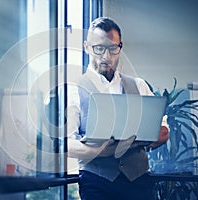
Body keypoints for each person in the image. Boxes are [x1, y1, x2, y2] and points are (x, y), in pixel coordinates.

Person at [67, 17, 169, 200]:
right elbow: (67, 144)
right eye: (99, 48)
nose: (106, 57)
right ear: (86, 47)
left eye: (113, 48)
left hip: (138, 181)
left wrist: (139, 141)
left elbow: (162, 131)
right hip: (96, 183)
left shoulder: (139, 85)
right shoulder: (74, 89)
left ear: (120, 47)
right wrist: (102, 150)